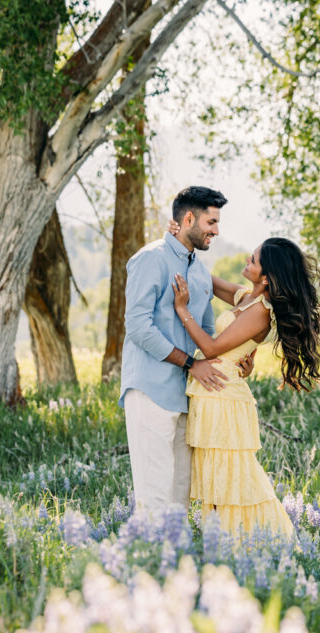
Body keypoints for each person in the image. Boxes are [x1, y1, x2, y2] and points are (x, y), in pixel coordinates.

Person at [169, 225, 320, 538]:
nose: (247, 261)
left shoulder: (260, 312)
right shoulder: (245, 299)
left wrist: (182, 309)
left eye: (253, 260)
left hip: (222, 397)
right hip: (214, 392)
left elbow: (211, 349)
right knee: (217, 479)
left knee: (232, 478)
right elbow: (208, 281)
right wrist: (181, 241)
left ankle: (258, 543)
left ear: (266, 278)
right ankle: (223, 546)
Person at [119, 186, 255, 513]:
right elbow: (137, 326)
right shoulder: (149, 259)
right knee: (154, 497)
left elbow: (208, 333)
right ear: (189, 218)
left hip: (189, 396)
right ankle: (147, 562)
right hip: (150, 390)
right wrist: (188, 364)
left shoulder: (198, 270)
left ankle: (175, 563)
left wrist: (238, 359)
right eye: (211, 222)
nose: (216, 231)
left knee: (179, 497)